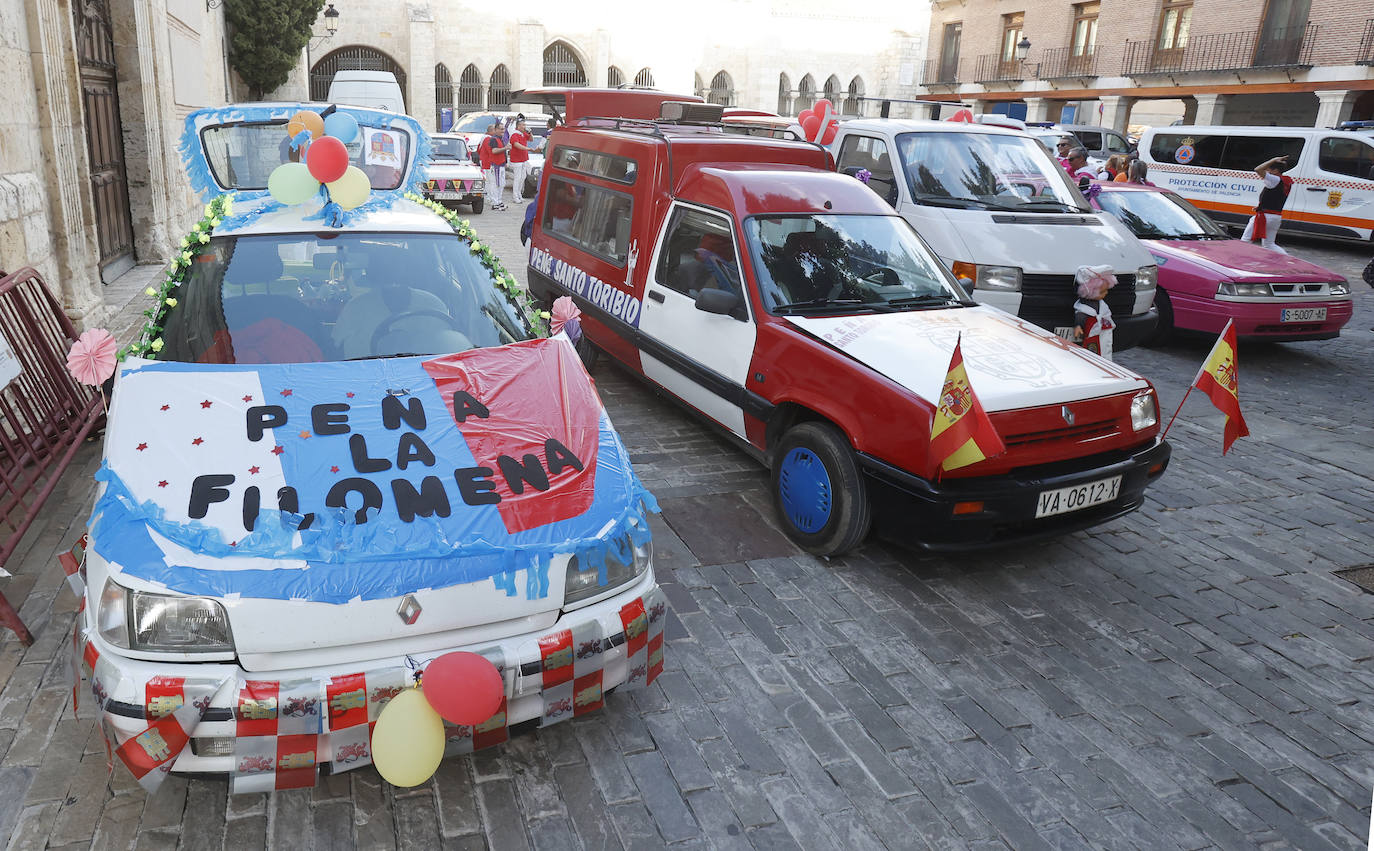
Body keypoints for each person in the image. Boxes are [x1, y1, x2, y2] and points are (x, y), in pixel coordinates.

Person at [1241, 155, 1292, 254]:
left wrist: (1273, 159)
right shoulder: (1285, 180)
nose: (1266, 172)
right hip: (1276, 216)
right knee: (1269, 244)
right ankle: (1286, 258)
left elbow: (1258, 169)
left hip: (1265, 216)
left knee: (1245, 240)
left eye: (1268, 169)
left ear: (1275, 170)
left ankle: (1237, 260)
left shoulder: (1275, 180)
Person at [481, 123, 509, 211]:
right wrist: (505, 148)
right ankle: (495, 203)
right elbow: (494, 151)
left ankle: (499, 201)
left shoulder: (500, 139)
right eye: (501, 129)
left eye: (503, 129)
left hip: (501, 165)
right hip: (495, 165)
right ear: (496, 130)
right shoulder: (493, 139)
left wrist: (505, 161)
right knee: (495, 184)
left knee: (501, 184)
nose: (502, 131)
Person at [508, 117, 532, 206]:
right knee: (517, 178)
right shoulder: (514, 135)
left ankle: (519, 194)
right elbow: (516, 145)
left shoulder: (523, 134)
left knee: (523, 177)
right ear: (518, 126)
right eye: (523, 125)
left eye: (525, 125)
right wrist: (527, 148)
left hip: (523, 159)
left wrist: (530, 132)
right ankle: (515, 196)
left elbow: (531, 139)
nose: (524, 126)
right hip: (517, 160)